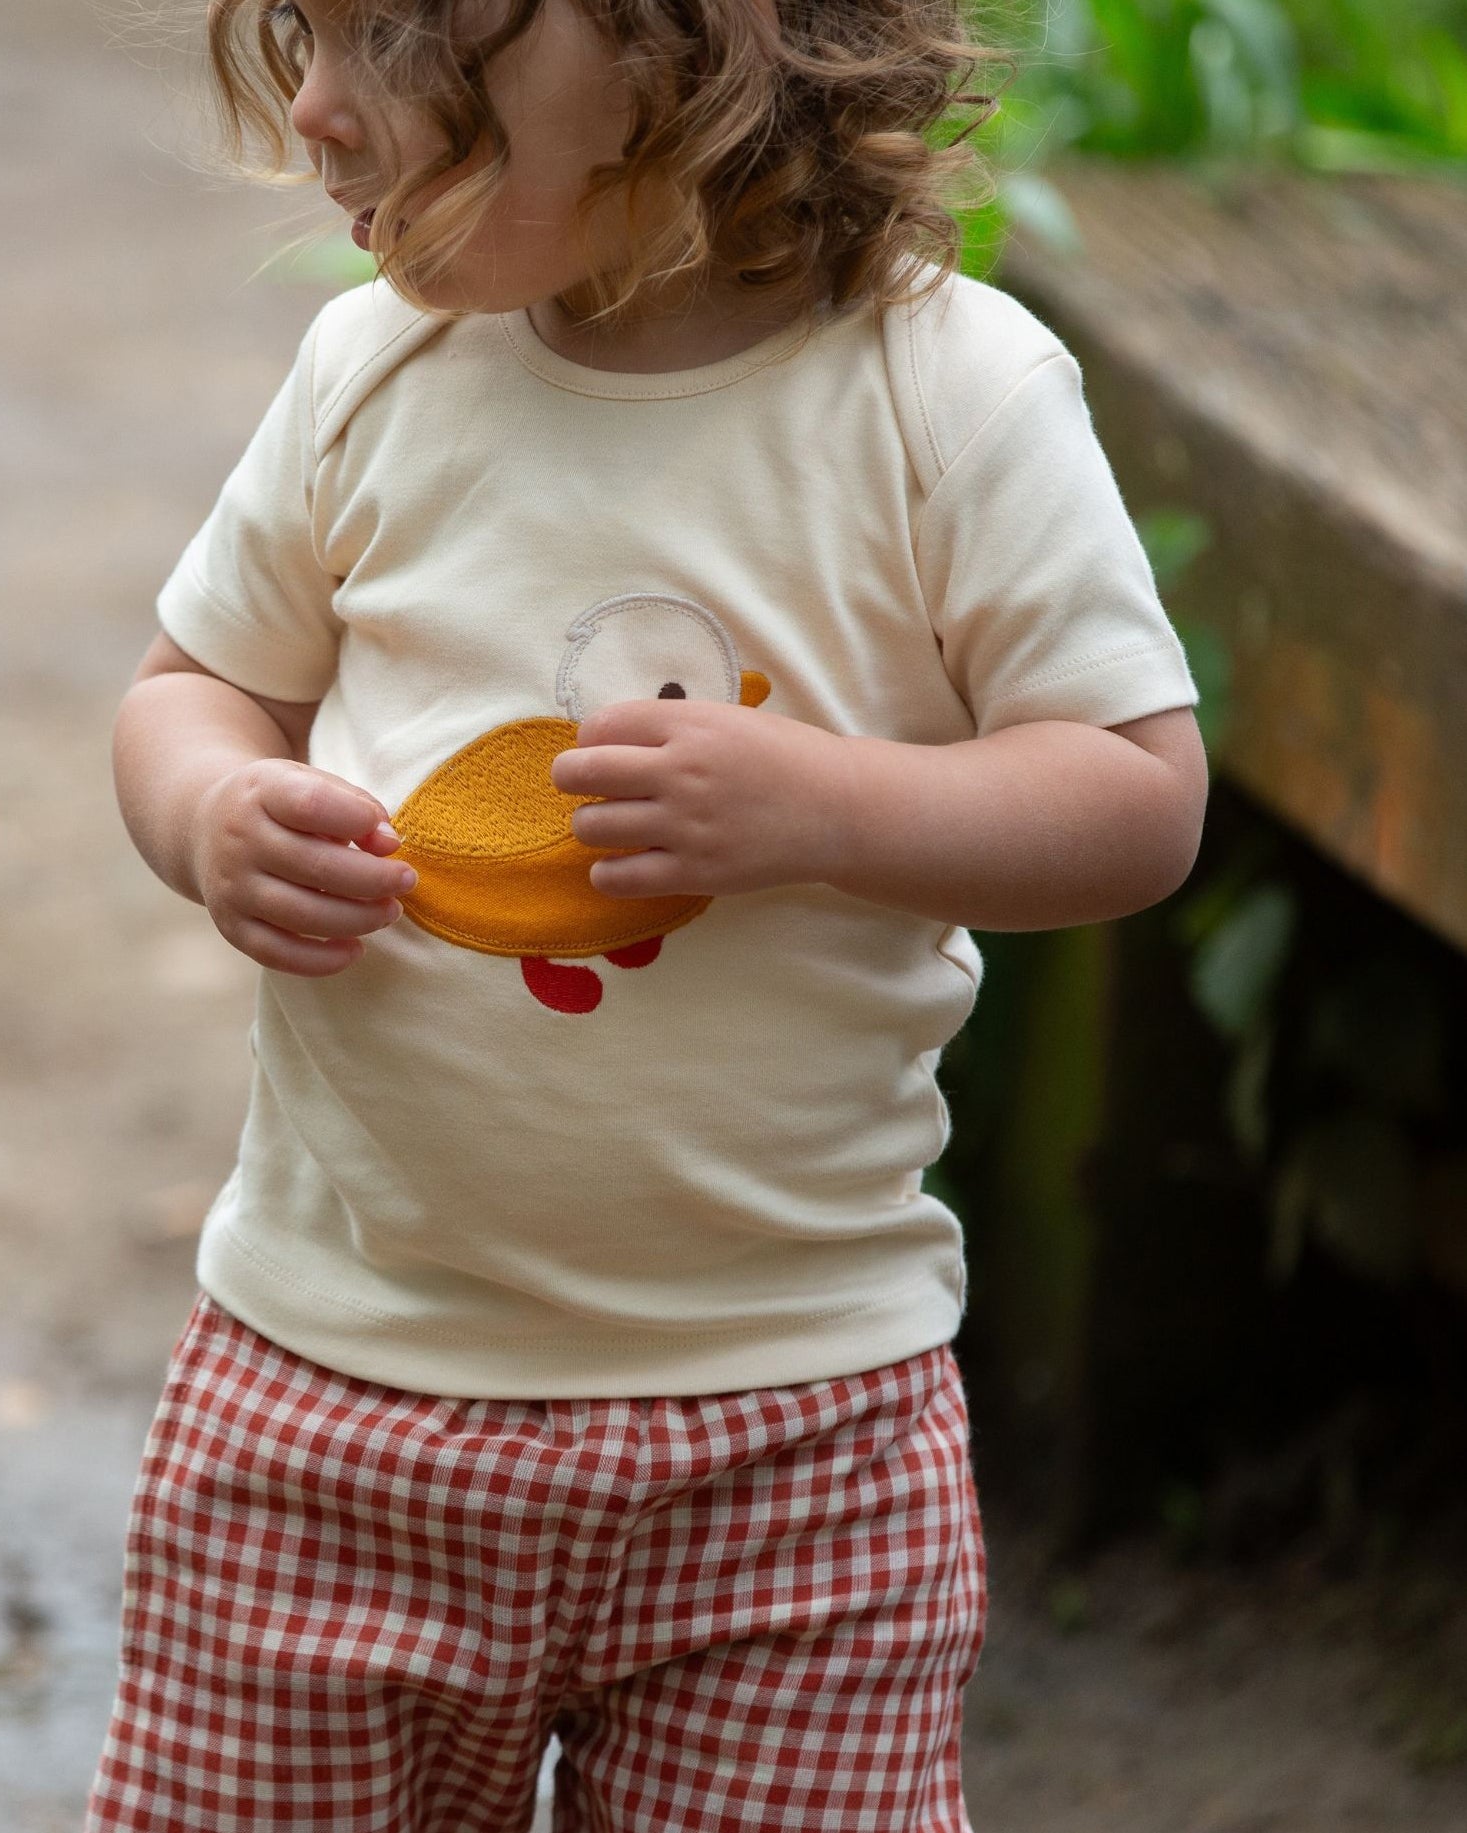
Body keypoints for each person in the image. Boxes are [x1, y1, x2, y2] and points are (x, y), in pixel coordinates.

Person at [86, 0, 1208, 1826]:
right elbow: (188, 688)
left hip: (794, 1436)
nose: (314, 107)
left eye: (392, 37)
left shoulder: (946, 395)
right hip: (333, 1391)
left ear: (688, 47)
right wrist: (214, 806)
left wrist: (826, 808)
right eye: (308, 31)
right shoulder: (372, 372)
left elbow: (1136, 794)